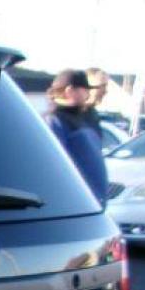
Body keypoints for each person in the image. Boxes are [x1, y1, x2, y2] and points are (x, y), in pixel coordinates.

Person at [44, 69, 109, 203]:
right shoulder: (54, 120)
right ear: (70, 91)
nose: (88, 94)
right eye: (85, 89)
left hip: (91, 203)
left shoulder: (82, 118)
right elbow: (55, 166)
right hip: (74, 203)